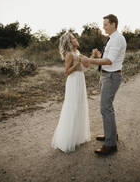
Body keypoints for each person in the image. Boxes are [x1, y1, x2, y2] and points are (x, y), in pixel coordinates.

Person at [81, 14, 127, 155]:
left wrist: (89, 59)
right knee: (108, 108)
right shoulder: (112, 39)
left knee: (105, 109)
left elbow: (109, 61)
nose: (104, 27)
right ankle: (111, 136)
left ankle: (111, 144)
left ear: (113, 24)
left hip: (112, 76)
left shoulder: (118, 39)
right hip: (107, 75)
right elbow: (107, 58)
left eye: (106, 24)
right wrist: (99, 54)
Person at [51, 32, 91, 153]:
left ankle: (77, 137)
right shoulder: (69, 54)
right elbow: (66, 72)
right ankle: (67, 139)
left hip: (80, 80)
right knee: (72, 107)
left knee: (80, 107)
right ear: (69, 42)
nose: (76, 39)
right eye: (73, 38)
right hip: (73, 81)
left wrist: (91, 56)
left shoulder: (78, 52)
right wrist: (77, 63)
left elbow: (86, 66)